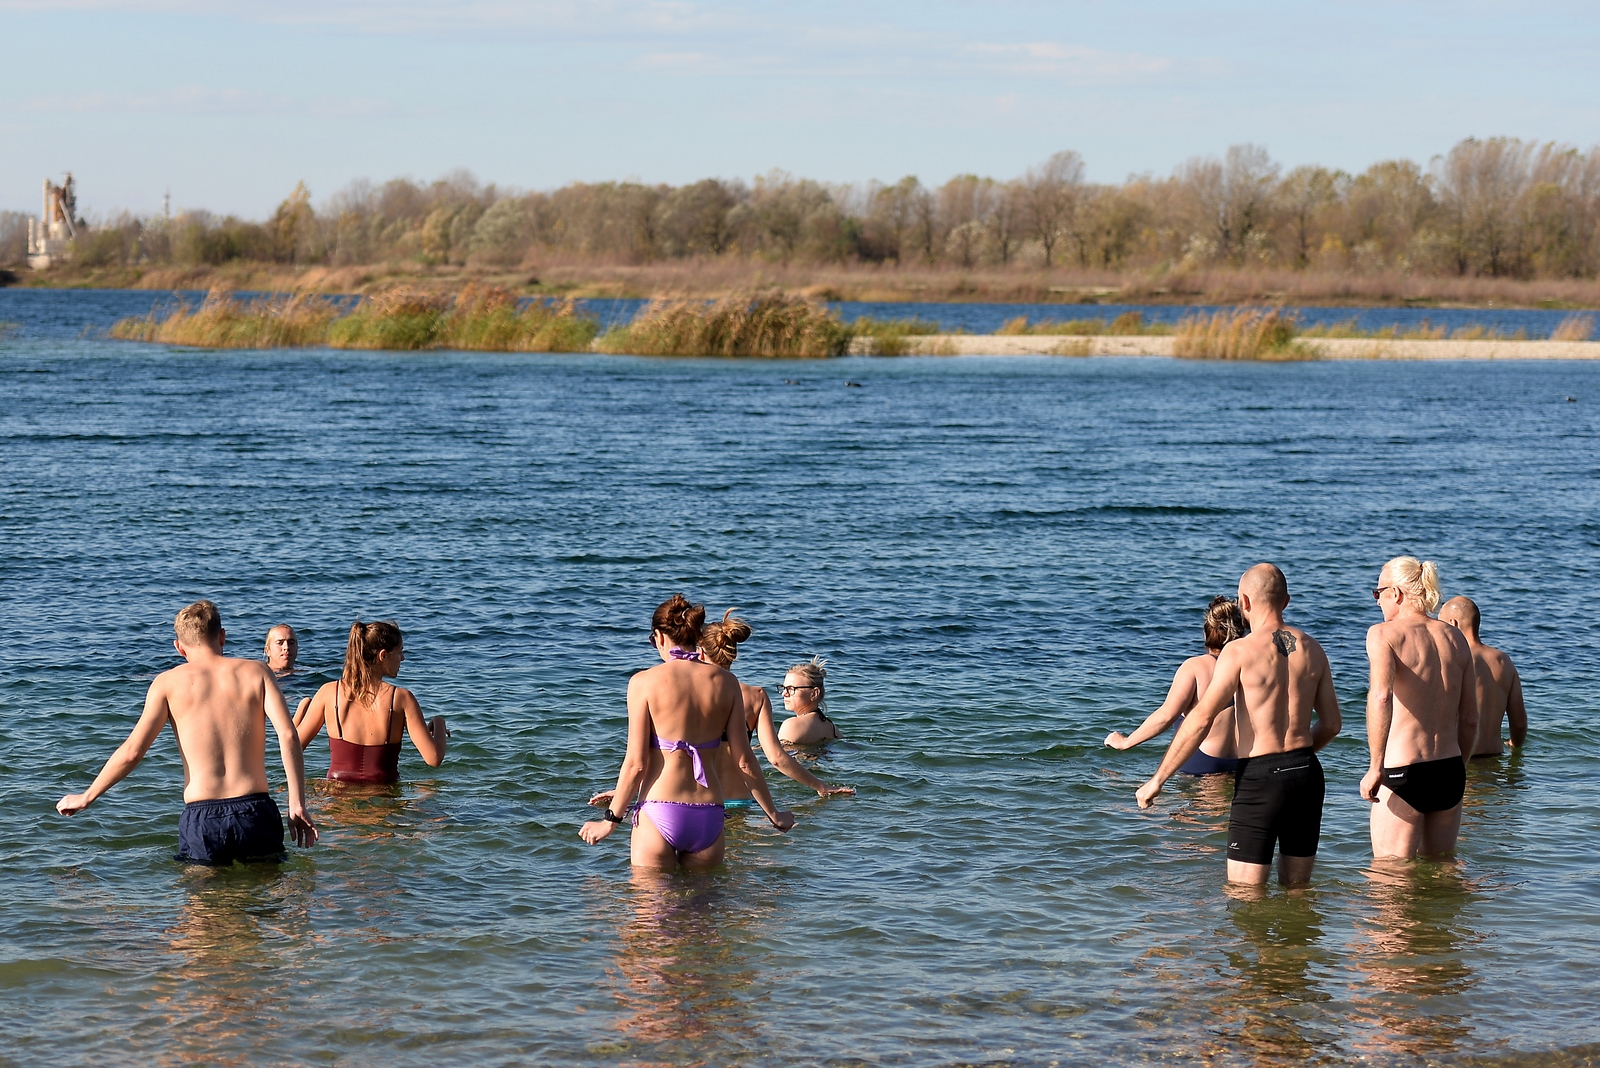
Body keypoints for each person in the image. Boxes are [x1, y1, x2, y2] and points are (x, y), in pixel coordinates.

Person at [55, 600, 318, 864]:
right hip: (255, 810)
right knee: (265, 900)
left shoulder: (166, 683)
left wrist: (87, 796)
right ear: (222, 636)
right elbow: (288, 735)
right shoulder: (257, 672)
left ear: (179, 647)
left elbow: (132, 752)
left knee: (203, 901)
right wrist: (297, 804)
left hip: (202, 817)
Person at [1136, 564, 1342, 887]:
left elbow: (1202, 718)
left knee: (1246, 897)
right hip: (1307, 774)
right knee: (1298, 891)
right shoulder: (1314, 649)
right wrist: (1294, 759)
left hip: (1260, 778)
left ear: (1244, 602)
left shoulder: (1239, 652)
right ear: (1286, 601)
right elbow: (1331, 724)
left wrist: (1157, 780)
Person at [580, 595, 795, 870]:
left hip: (660, 810)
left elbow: (636, 764)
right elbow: (744, 761)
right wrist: (774, 814)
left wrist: (609, 821)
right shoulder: (727, 683)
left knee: (650, 911)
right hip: (709, 816)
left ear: (658, 637)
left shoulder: (643, 682)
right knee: (704, 910)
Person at [1361, 558, 1479, 860]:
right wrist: (1459, 767)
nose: (1377, 603)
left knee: (1390, 882)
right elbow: (1469, 718)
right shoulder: (1456, 639)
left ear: (1396, 594)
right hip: (1450, 770)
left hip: (1405, 771)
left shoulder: (1384, 634)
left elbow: (1381, 698)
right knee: (1440, 876)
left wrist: (1375, 767)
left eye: (1378, 594)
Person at [700, 611, 855, 804]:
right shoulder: (756, 696)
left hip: (696, 799)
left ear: (700, 652)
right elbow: (776, 758)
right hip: (738, 798)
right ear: (734, 653)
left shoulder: (686, 692)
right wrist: (821, 786)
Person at [1106, 596, 1246, 775]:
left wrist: (1126, 742)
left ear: (1206, 633)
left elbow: (1166, 715)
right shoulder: (1252, 667)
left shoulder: (1195, 667)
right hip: (1242, 762)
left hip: (1203, 763)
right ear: (1242, 635)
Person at [295, 620, 447, 784]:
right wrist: (439, 722)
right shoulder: (401, 698)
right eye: (399, 652)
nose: (402, 658)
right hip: (384, 799)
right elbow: (434, 758)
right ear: (383, 655)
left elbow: (292, 748)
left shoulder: (329, 692)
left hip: (338, 796)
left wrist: (301, 709)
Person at [1438, 596, 1527, 757]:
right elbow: (1519, 724)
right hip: (1495, 758)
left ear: (1453, 624)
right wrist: (1515, 745)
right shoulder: (1503, 660)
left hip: (1462, 759)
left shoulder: (1453, 660)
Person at [777, 658, 841, 745]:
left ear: (814, 693)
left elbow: (777, 756)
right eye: (784, 688)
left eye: (791, 689)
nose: (784, 694)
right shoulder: (832, 728)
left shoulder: (792, 725)